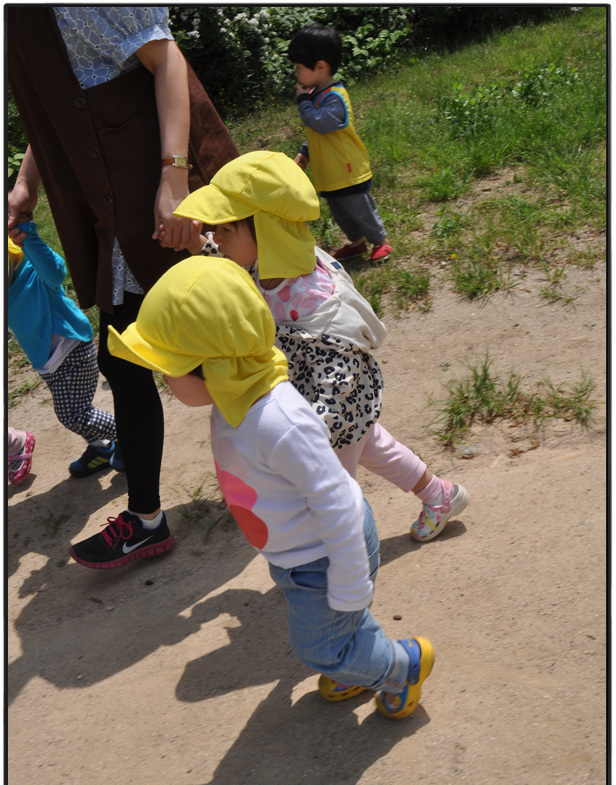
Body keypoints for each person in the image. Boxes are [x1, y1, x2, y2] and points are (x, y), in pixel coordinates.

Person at [108, 255, 435, 718]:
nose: (164, 379)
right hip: (299, 554)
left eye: (170, 369)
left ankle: (401, 665)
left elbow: (338, 499)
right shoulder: (236, 398)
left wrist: (349, 581)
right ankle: (358, 656)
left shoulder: (278, 421)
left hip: (325, 553)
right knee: (338, 626)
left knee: (319, 648)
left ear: (214, 365)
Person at [7, 6, 238, 569]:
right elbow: (62, 98)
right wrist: (26, 182)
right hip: (106, 198)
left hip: (151, 190)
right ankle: (148, 518)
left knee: (224, 343)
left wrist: (174, 177)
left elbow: (167, 58)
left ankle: (312, 454)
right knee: (126, 358)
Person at [176, 151, 469, 542]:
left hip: (332, 406)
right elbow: (229, 263)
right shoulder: (266, 262)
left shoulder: (311, 299)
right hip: (317, 397)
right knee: (373, 445)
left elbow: (338, 370)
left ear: (265, 231)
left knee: (330, 494)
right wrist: (197, 244)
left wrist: (310, 432)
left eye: (225, 230)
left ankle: (347, 564)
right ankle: (439, 494)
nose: (218, 238)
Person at [8, 227, 122, 478]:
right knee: (76, 409)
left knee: (73, 414)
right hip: (49, 362)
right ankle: (102, 447)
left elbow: (57, 271)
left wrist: (27, 234)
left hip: (71, 350)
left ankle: (131, 436)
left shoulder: (32, 270)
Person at [287, 24, 392, 264]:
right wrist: (305, 151)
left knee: (360, 208)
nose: (296, 74)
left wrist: (302, 101)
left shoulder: (334, 97)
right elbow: (319, 135)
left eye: (299, 68)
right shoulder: (317, 96)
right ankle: (357, 242)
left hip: (348, 171)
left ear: (320, 67)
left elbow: (320, 123)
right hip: (330, 173)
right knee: (340, 211)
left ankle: (380, 241)